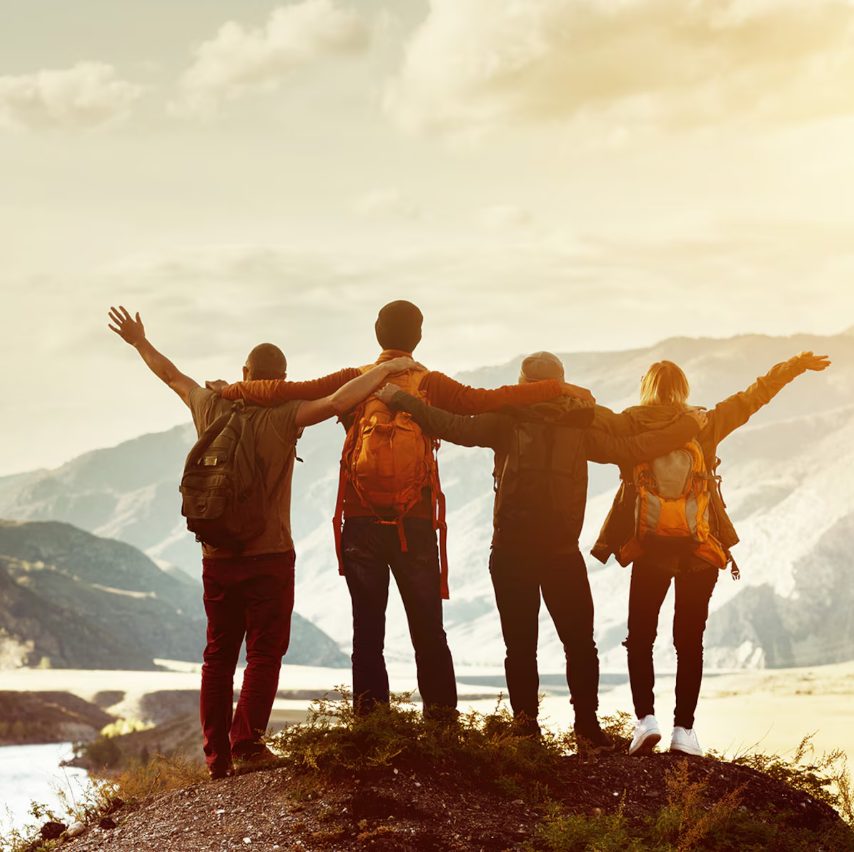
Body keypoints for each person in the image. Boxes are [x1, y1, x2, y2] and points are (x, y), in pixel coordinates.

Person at [215, 301, 594, 719]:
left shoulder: (353, 381)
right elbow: (493, 398)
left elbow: (287, 391)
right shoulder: (431, 383)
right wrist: (556, 389)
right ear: (419, 336)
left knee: (367, 633)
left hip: (360, 521)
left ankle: (372, 725)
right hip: (415, 522)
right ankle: (442, 723)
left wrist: (233, 390)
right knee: (429, 629)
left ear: (377, 333)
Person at [107, 305, 417, 777]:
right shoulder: (286, 415)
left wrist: (139, 341)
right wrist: (387, 369)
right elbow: (337, 402)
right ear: (282, 379)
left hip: (216, 556)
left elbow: (171, 375)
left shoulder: (210, 406)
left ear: (246, 374)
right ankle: (248, 743)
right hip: (269, 554)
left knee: (217, 655)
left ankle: (217, 756)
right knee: (265, 652)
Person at [376, 350, 707, 750]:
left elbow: (450, 425)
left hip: (512, 550)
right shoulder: (579, 424)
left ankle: (527, 729)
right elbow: (635, 448)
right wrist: (687, 425)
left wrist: (402, 399)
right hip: (562, 553)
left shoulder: (505, 420)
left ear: (521, 384)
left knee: (519, 647)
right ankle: (587, 729)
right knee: (580, 644)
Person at [591, 351, 831, 757]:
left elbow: (587, 419)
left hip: (648, 549)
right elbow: (754, 397)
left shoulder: (629, 423)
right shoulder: (704, 422)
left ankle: (645, 720)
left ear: (646, 389)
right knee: (689, 641)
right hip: (700, 551)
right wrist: (791, 366)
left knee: (640, 638)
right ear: (683, 390)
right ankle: (683, 730)